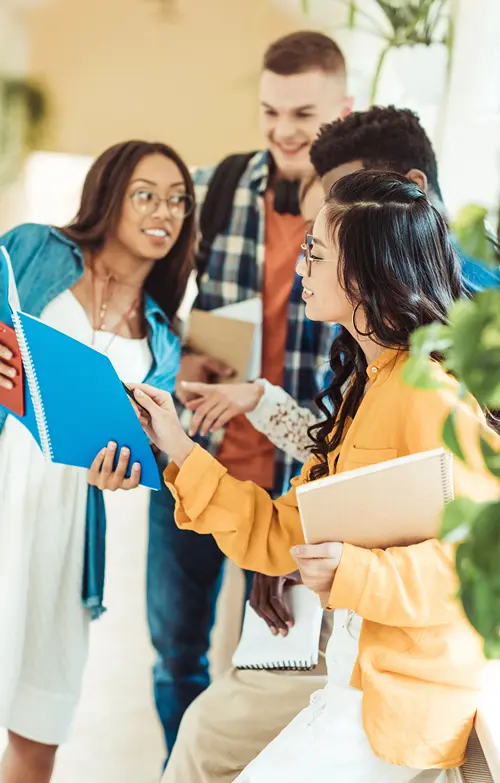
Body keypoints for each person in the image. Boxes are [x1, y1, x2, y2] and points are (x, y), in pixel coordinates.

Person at [105, 170, 499, 781]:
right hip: (352, 685)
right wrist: (177, 444)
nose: (301, 269)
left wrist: (352, 569)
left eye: (314, 253)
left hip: (401, 709)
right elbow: (279, 531)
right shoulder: (362, 390)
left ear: (365, 274)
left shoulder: (431, 395)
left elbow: (473, 567)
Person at [146, 30, 352, 761]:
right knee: (176, 651)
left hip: (296, 476)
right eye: (270, 111)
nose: (283, 131)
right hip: (200, 449)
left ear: (344, 106)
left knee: (268, 664)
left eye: (302, 113)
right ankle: (183, 765)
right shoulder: (219, 185)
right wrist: (175, 353)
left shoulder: (360, 215)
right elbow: (154, 298)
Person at [0, 140, 195, 783]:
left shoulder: (163, 339)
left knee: (40, 724)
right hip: (5, 486)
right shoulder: (32, 248)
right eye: (145, 193)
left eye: (177, 200)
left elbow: (142, 456)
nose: (162, 210)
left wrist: (121, 474)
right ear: (109, 196)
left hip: (66, 529)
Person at [181, 105, 500, 452]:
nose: (337, 214)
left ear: (410, 191)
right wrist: (262, 400)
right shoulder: (356, 301)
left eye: (357, 197)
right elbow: (348, 451)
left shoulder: (479, 309)